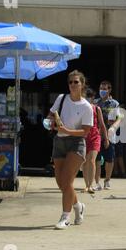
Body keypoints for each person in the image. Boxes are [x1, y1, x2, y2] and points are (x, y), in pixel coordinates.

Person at [48, 70, 93, 230]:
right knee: (61, 184)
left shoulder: (87, 107)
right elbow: (51, 115)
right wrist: (50, 122)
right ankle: (78, 206)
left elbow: (86, 131)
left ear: (82, 85)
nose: (73, 85)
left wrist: (67, 131)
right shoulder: (62, 98)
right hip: (59, 141)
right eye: (70, 82)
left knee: (67, 182)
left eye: (76, 82)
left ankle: (65, 217)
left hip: (76, 143)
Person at [94, 81, 123, 190]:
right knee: (96, 160)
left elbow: (119, 117)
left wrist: (113, 127)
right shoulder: (95, 103)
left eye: (105, 89)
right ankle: (97, 182)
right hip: (97, 135)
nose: (102, 91)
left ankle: (107, 180)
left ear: (109, 90)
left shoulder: (114, 103)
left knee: (109, 159)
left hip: (110, 136)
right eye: (101, 88)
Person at [82, 88, 108, 194]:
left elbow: (102, 125)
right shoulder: (81, 108)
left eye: (89, 96)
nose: (87, 98)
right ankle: (86, 185)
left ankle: (90, 185)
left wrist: (106, 139)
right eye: (86, 96)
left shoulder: (97, 109)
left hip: (95, 137)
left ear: (93, 98)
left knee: (92, 160)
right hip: (83, 136)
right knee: (84, 161)